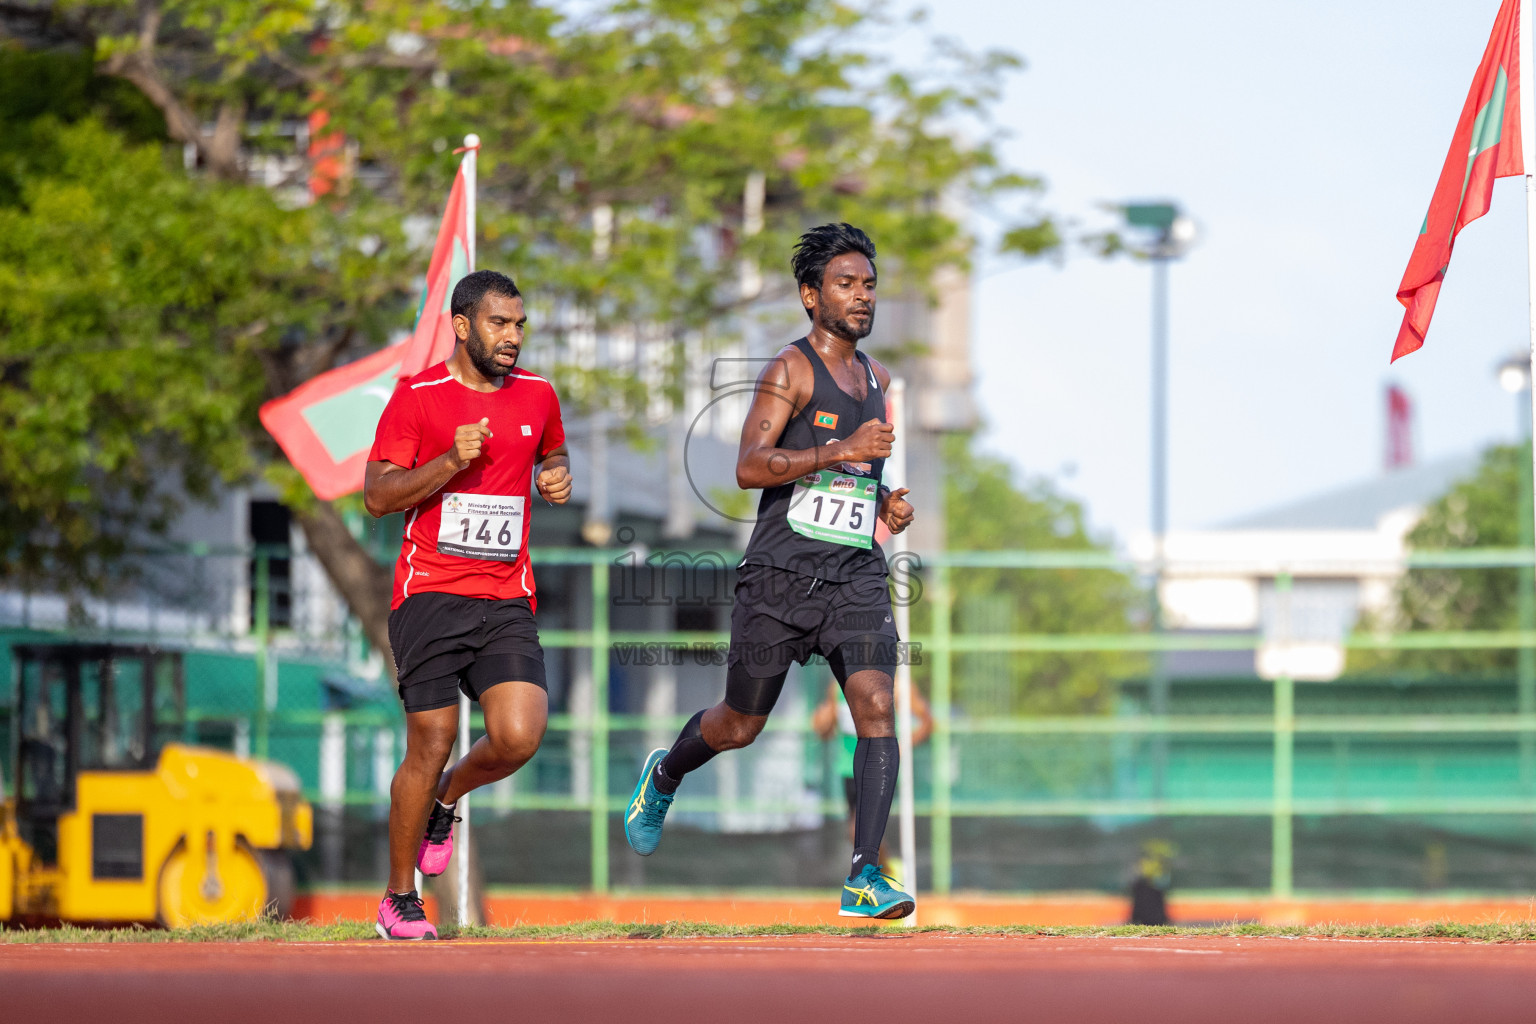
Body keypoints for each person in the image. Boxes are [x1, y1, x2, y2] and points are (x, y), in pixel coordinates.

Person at [622, 223, 919, 919]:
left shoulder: (876, 380)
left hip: (854, 577)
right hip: (780, 577)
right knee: (739, 724)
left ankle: (864, 876)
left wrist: (884, 501)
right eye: (845, 285)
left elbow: (852, 477)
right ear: (810, 296)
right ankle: (665, 774)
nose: (861, 297)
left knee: (877, 709)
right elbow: (750, 466)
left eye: (869, 284)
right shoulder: (789, 370)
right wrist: (839, 448)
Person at [364, 269, 571, 940]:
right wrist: (450, 462)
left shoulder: (538, 394)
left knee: (519, 734)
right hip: (429, 593)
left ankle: (446, 799)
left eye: (518, 324)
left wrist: (554, 473)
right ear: (461, 325)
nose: (512, 336)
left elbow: (551, 449)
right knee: (433, 737)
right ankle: (399, 898)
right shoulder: (418, 398)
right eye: (498, 324)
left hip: (506, 593)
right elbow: (378, 494)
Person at [810, 677, 931, 879]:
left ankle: (879, 878)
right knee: (859, 836)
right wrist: (822, 722)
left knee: (858, 831)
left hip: (878, 767)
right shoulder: (839, 686)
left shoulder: (896, 685)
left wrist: (899, 747)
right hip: (848, 770)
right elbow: (826, 728)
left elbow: (926, 723)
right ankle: (888, 870)